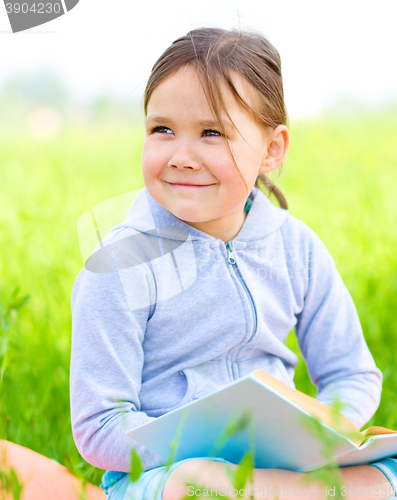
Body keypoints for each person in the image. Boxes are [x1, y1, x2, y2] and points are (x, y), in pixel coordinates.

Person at [70, 27, 397, 499]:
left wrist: (324, 435)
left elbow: (352, 374)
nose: (181, 156)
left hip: (287, 465)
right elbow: (100, 427)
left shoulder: (295, 247)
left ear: (271, 149)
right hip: (169, 472)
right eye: (162, 129)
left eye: (212, 133)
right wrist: (201, 445)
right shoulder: (121, 266)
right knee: (198, 485)